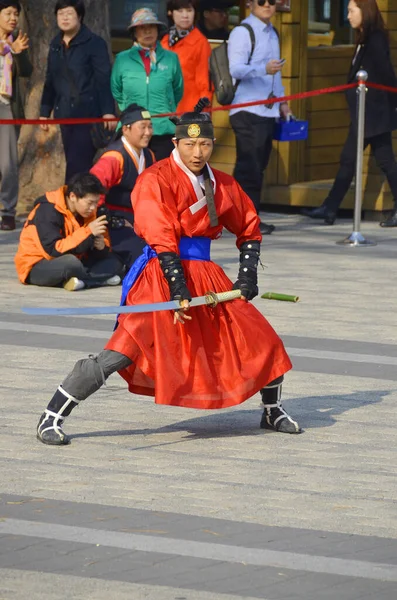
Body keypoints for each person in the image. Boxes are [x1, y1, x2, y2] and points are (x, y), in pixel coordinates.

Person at [36, 100, 301, 447]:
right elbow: (159, 232)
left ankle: (272, 409)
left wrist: (247, 275)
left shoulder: (221, 184)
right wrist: (177, 286)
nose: (197, 152)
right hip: (161, 272)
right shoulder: (155, 179)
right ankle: (53, 414)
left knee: (258, 336)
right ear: (175, 143)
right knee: (124, 349)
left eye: (204, 144)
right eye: (189, 144)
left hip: (207, 275)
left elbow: (249, 229)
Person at [302, 0, 397, 227]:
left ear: (365, 12)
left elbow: (386, 73)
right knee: (359, 159)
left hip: (373, 112)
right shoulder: (364, 38)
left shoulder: (374, 39)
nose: (348, 16)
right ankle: (330, 207)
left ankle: (330, 207)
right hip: (365, 112)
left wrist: (394, 101)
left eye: (351, 10)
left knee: (380, 160)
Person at [228, 0, 290, 236]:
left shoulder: (273, 32)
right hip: (247, 108)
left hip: (268, 110)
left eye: (273, 1)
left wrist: (283, 102)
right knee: (249, 169)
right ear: (250, 3)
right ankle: (246, 221)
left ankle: (243, 216)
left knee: (257, 168)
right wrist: (263, 68)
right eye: (262, 1)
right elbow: (236, 69)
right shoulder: (243, 32)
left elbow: (278, 73)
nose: (268, 5)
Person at [39, 0, 116, 183]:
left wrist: (108, 111)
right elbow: (50, 79)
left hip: (88, 115)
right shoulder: (55, 44)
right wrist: (44, 111)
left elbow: (103, 79)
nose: (65, 18)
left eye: (69, 13)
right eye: (61, 14)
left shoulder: (94, 43)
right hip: (65, 114)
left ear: (79, 16)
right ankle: (79, 203)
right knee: (74, 162)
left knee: (77, 165)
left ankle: (72, 203)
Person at [14, 173, 124, 291]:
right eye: (90, 203)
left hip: (77, 260)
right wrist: (88, 231)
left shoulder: (87, 212)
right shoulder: (47, 211)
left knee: (115, 261)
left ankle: (81, 281)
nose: (93, 208)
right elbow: (52, 251)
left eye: (96, 203)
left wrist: (101, 247)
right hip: (38, 265)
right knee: (71, 264)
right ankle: (98, 280)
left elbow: (88, 249)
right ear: (72, 196)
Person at [111, 8, 183, 161]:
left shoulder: (171, 58)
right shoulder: (122, 59)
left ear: (158, 30)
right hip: (132, 128)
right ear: (134, 33)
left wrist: (165, 108)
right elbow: (116, 90)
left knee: (161, 178)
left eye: (151, 27)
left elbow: (178, 90)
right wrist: (131, 112)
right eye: (142, 28)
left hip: (163, 129)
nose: (147, 31)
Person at [90, 104, 155, 270]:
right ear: (126, 129)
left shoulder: (149, 155)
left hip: (140, 222)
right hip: (116, 223)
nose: (148, 132)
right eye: (142, 127)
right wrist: (107, 220)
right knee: (142, 255)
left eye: (150, 126)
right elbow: (92, 192)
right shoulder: (114, 158)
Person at [0, 0, 32, 231]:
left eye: (16, 14)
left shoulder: (17, 42)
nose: (13, 18)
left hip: (6, 105)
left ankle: (7, 211)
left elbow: (27, 72)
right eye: (8, 13)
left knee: (8, 163)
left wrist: (18, 54)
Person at [161, 0, 213, 113]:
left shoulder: (201, 42)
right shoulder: (164, 41)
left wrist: (202, 110)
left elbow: (205, 82)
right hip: (164, 111)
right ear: (170, 13)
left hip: (190, 109)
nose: (185, 15)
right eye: (180, 11)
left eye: (189, 10)